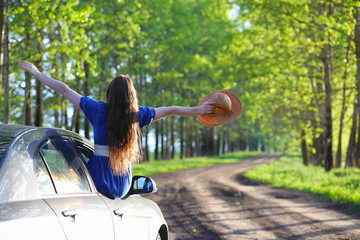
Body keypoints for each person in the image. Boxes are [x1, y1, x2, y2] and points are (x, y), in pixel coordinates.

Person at [18, 61, 215, 198]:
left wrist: (37, 73)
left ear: (110, 92)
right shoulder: (138, 115)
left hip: (97, 180)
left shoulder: (97, 109)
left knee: (66, 145)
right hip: (122, 184)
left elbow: (64, 89)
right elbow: (171, 110)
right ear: (131, 96)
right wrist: (199, 110)